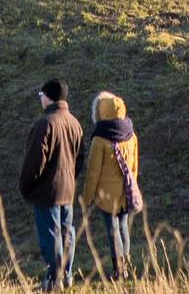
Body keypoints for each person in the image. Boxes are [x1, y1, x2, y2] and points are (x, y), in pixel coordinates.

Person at [20, 78, 86, 291]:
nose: (40, 99)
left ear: (48, 97)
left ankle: (53, 279)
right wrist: (70, 177)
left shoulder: (45, 124)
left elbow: (34, 160)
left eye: (41, 95)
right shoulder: (75, 123)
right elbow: (80, 158)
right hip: (68, 188)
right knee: (67, 233)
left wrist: (27, 185)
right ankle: (66, 276)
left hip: (47, 190)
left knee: (51, 237)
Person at [82, 91, 140, 282]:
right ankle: (128, 265)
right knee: (123, 228)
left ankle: (118, 270)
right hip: (126, 191)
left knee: (112, 230)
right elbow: (134, 167)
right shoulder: (131, 134)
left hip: (107, 196)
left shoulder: (100, 139)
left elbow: (93, 172)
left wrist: (87, 197)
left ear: (102, 112)